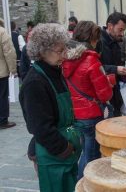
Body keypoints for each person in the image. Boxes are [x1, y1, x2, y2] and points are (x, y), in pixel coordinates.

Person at [19, 23, 81, 192]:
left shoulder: (55, 72)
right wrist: (64, 149)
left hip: (66, 151)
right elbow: (40, 127)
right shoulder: (35, 83)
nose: (65, 55)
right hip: (53, 154)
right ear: (42, 51)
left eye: (65, 49)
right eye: (60, 51)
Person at [62, 21, 113, 179]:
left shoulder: (64, 59)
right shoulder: (91, 60)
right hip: (91, 114)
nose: (97, 42)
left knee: (84, 151)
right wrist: (109, 81)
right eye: (96, 39)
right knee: (90, 157)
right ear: (92, 39)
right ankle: (82, 184)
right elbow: (105, 95)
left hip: (75, 113)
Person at [97, 12, 126, 116]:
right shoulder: (99, 43)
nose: (122, 34)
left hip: (114, 93)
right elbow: (95, 68)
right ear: (110, 26)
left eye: (123, 30)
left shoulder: (115, 42)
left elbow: (116, 66)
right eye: (120, 30)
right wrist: (115, 69)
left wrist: (125, 74)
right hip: (104, 97)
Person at [0, 26, 17, 129]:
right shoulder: (2, 32)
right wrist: (13, 69)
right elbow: (9, 52)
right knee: (2, 95)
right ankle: (2, 120)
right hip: (1, 70)